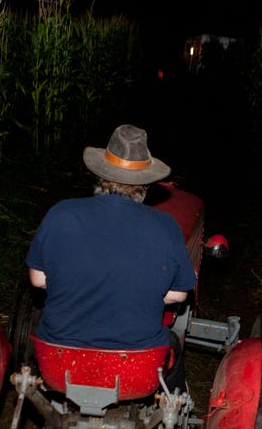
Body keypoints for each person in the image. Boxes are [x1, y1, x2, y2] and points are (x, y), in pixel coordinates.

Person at [25, 124, 197, 387]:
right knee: (172, 347)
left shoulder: (61, 213)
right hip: (136, 366)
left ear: (100, 174)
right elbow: (179, 295)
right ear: (146, 182)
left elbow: (38, 280)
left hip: (59, 359)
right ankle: (176, 410)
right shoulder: (166, 226)